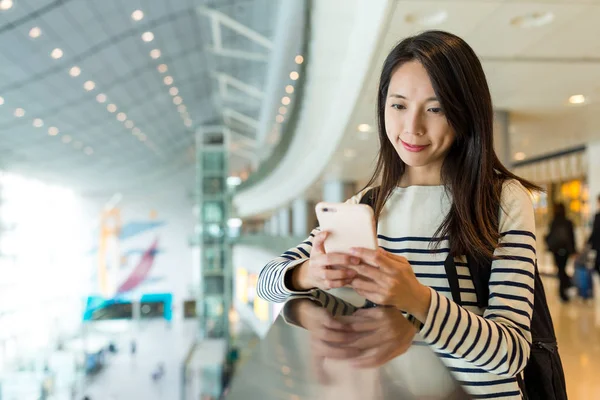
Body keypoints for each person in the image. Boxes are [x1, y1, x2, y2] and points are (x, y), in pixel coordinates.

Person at [257, 30, 541, 399]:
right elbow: (268, 281)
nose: (413, 127)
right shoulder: (367, 204)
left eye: (435, 108)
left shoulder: (501, 198)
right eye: (399, 105)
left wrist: (417, 301)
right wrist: (309, 275)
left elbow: (511, 353)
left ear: (464, 111)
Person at [545, 203, 576, 302]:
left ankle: (563, 292)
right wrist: (573, 250)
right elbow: (572, 238)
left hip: (556, 250)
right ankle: (565, 290)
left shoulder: (553, 222)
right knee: (562, 269)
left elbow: (550, 236)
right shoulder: (568, 222)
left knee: (560, 270)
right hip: (565, 250)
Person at [587, 194, 600, 276]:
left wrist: (588, 242)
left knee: (596, 265)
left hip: (598, 247)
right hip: (598, 246)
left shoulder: (598, 216)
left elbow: (595, 231)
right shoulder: (597, 216)